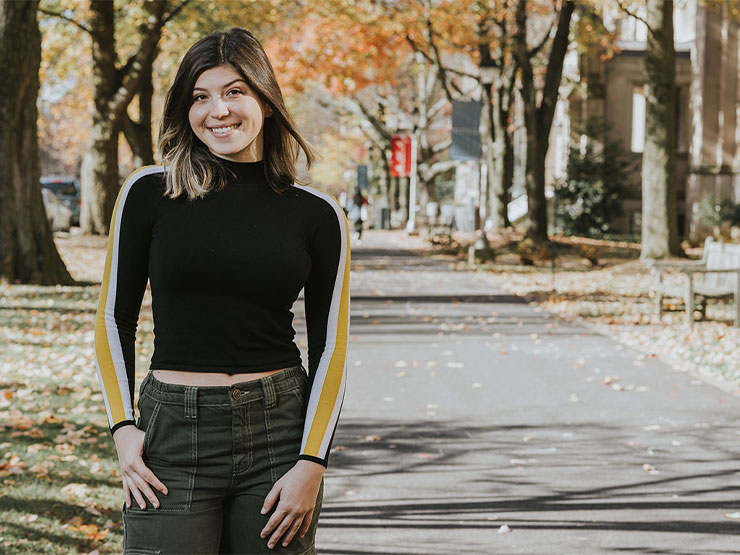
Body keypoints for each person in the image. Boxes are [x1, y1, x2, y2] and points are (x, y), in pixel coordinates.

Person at [93, 27, 350, 554]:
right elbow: (113, 320)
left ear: (266, 101)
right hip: (173, 434)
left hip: (279, 433)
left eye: (235, 91)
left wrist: (312, 462)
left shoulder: (318, 213)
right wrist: (122, 427)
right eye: (199, 96)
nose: (218, 110)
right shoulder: (148, 192)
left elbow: (333, 346)